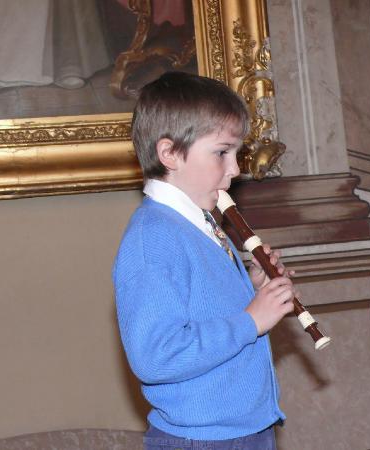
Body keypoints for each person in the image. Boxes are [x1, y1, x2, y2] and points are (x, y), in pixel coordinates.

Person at [112, 71, 296, 449]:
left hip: (241, 430)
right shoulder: (154, 237)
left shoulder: (200, 221)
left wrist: (251, 288)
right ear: (170, 154)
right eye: (222, 152)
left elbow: (203, 308)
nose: (235, 169)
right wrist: (251, 321)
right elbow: (156, 356)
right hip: (202, 439)